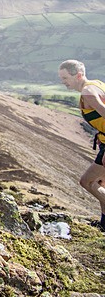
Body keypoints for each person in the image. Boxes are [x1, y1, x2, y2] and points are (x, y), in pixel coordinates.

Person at [58, 59, 105, 231]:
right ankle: (104, 225)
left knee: (88, 181)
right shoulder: (97, 84)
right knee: (101, 182)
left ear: (78, 75)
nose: (63, 82)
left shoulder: (87, 92)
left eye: (65, 78)